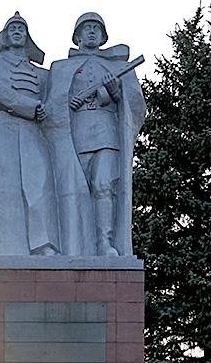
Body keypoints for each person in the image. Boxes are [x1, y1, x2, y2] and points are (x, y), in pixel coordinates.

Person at [43, 13, 145, 256]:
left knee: (103, 186)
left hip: (106, 133)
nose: (91, 32)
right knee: (76, 189)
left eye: (96, 28)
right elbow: (50, 107)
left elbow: (135, 104)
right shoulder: (60, 68)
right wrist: (68, 102)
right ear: (77, 35)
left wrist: (114, 92)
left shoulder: (119, 67)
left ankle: (105, 243)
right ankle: (76, 244)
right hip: (75, 135)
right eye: (86, 28)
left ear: (102, 35)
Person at [0, 13, 59, 256]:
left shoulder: (43, 75)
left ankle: (44, 244)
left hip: (33, 130)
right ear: (4, 35)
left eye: (22, 28)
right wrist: (29, 106)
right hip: (1, 127)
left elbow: (54, 104)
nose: (17, 31)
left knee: (38, 184)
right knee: (1, 188)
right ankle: (1, 248)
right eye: (12, 28)